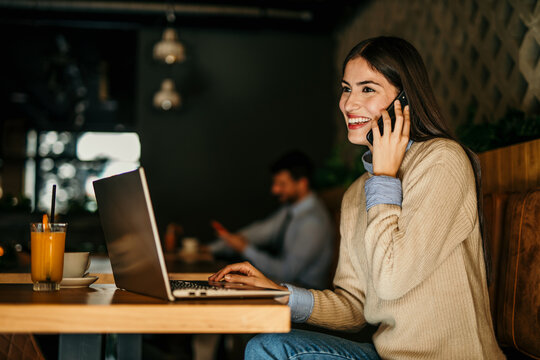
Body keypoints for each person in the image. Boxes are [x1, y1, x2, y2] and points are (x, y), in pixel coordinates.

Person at [209, 36, 505, 359]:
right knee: (265, 345)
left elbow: (392, 281)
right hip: (385, 354)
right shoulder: (355, 195)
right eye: (347, 88)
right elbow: (353, 306)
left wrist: (384, 178)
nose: (349, 104)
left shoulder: (443, 161)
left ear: (405, 99)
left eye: (367, 89)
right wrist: (279, 294)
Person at [208, 150, 334, 290]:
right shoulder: (290, 210)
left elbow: (286, 273)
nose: (274, 190)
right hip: (285, 285)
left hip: (304, 292)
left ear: (302, 183)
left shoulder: (313, 222)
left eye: (281, 184)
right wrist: (211, 249)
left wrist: (245, 248)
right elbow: (259, 232)